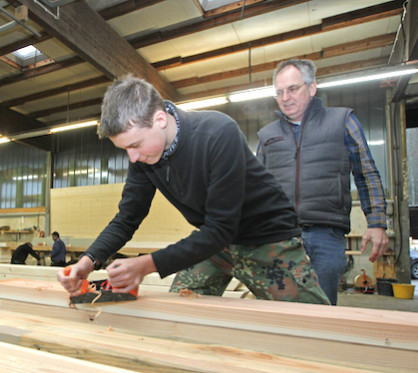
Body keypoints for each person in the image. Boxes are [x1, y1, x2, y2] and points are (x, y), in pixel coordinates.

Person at [57, 75, 329, 305]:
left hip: (268, 238)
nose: (132, 157)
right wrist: (88, 261)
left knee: (316, 327)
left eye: (136, 144)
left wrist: (145, 265)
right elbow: (127, 218)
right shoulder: (143, 157)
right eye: (125, 149)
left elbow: (222, 227)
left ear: (160, 119)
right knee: (179, 314)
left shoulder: (217, 134)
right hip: (215, 245)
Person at [257, 58, 388, 305]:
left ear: (312, 88)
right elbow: (255, 187)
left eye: (293, 89)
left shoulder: (342, 121)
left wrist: (377, 222)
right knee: (279, 311)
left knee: (320, 310)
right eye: (279, 92)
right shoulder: (267, 135)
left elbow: (366, 172)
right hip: (279, 237)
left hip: (325, 234)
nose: (285, 97)